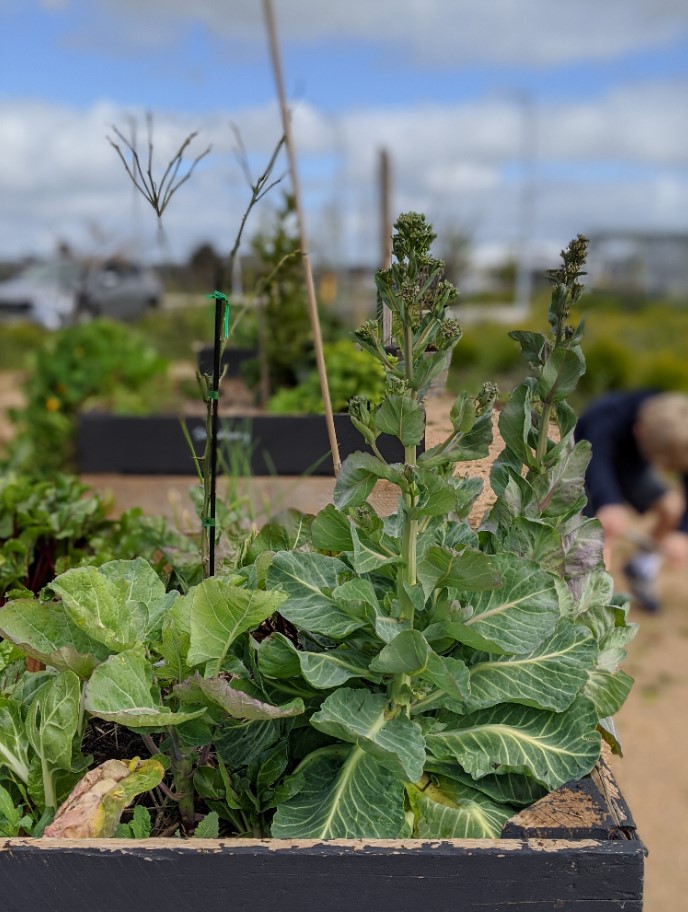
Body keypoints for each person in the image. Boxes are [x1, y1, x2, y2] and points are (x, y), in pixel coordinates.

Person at [574, 389, 688, 613]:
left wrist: (683, 532)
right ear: (639, 431)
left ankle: (640, 568)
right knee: (603, 535)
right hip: (591, 462)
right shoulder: (605, 416)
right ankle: (590, 604)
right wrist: (608, 502)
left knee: (672, 509)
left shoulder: (675, 422)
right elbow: (599, 460)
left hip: (632, 466)